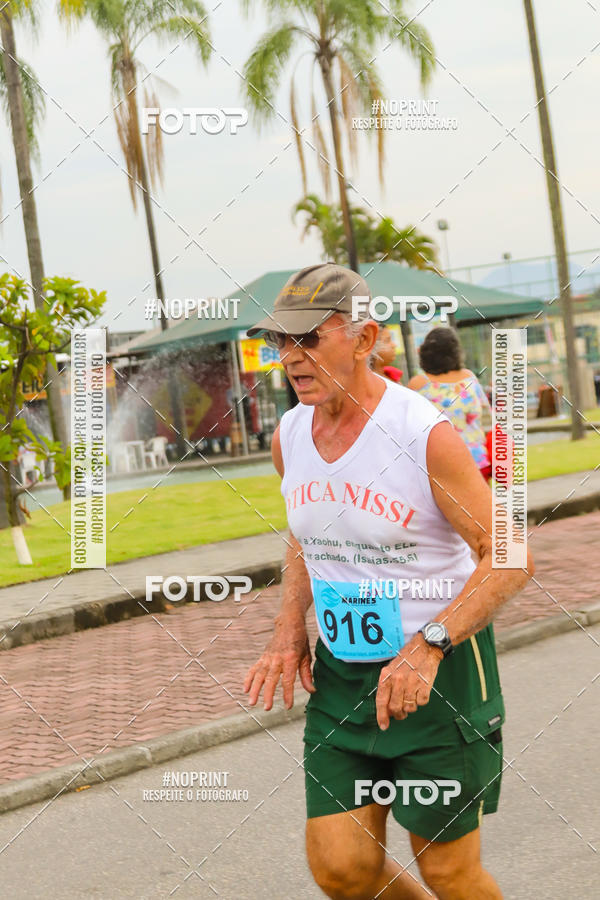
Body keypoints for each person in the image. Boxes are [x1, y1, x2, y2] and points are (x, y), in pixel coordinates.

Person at [244, 262, 533, 900]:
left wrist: (429, 643)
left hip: (439, 675)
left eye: (308, 338)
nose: (289, 357)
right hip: (345, 674)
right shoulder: (290, 434)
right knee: (342, 870)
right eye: (279, 342)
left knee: (448, 872)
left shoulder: (420, 433)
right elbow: (305, 533)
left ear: (365, 338)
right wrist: (289, 628)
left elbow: (510, 555)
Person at [408, 328, 492, 480]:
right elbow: (484, 412)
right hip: (477, 459)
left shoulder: (419, 384)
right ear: (456, 352)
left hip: (440, 464)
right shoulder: (469, 378)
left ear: (425, 352)